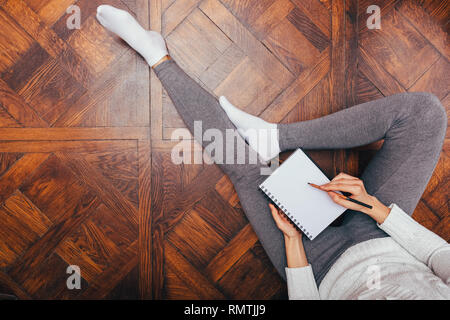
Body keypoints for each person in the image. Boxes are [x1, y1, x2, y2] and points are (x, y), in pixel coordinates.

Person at [96, 5, 449, 299]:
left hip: (317, 264)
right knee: (423, 115)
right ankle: (276, 136)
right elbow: (437, 255)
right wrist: (376, 209)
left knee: (246, 169)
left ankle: (157, 57)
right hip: (386, 233)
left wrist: (293, 242)